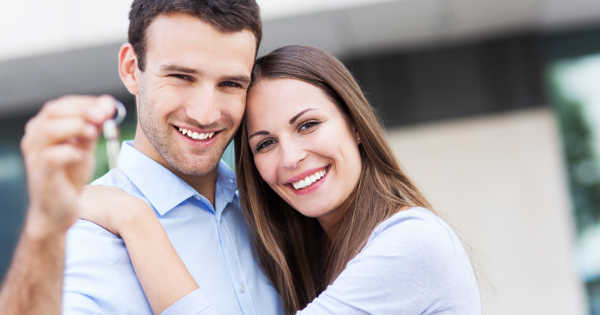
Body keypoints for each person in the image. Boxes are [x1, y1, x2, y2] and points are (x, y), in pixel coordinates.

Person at [81, 45, 482, 314]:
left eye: (308, 125)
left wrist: (137, 222)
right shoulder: (311, 254)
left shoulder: (410, 242)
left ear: (355, 125)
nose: (291, 158)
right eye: (265, 143)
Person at [0, 1, 283, 315]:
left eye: (230, 84)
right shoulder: (86, 237)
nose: (205, 114)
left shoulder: (277, 206)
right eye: (181, 77)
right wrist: (43, 225)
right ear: (131, 69)